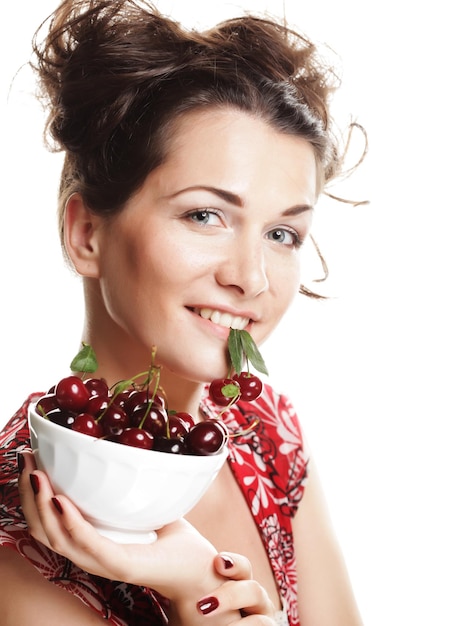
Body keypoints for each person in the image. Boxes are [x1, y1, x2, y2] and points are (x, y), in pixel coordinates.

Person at [0, 0, 364, 624]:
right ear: (87, 232)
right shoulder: (22, 526)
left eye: (283, 235)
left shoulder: (265, 430)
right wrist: (207, 598)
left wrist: (200, 583)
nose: (250, 277)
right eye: (205, 215)